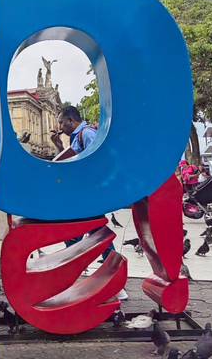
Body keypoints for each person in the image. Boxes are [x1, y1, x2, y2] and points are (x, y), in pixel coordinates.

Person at [51, 106, 124, 298]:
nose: (60, 126)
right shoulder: (77, 137)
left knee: (79, 234)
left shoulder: (87, 134)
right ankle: (114, 280)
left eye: (61, 122)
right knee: (97, 235)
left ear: (71, 120)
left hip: (90, 196)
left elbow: (98, 162)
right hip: (84, 197)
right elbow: (72, 160)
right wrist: (59, 146)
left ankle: (69, 277)